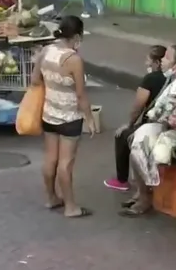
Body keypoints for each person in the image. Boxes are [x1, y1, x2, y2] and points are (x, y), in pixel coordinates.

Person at [121, 45, 176, 217]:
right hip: (164, 126)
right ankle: (141, 192)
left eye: (166, 58)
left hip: (174, 131)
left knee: (138, 145)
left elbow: (170, 112)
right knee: (134, 140)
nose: (162, 60)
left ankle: (145, 196)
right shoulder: (173, 79)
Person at [33, 15, 98, 218]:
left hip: (49, 114)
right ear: (77, 36)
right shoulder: (74, 60)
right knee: (66, 163)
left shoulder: (45, 51)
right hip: (70, 117)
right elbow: (81, 94)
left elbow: (35, 79)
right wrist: (89, 118)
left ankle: (52, 197)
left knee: (50, 159)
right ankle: (71, 207)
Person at [104, 45, 168, 192]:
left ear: (157, 63)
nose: (146, 63)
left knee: (122, 136)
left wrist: (129, 124)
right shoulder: (174, 78)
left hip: (153, 125)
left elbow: (138, 107)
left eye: (148, 60)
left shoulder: (151, 79)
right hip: (168, 125)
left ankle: (122, 180)